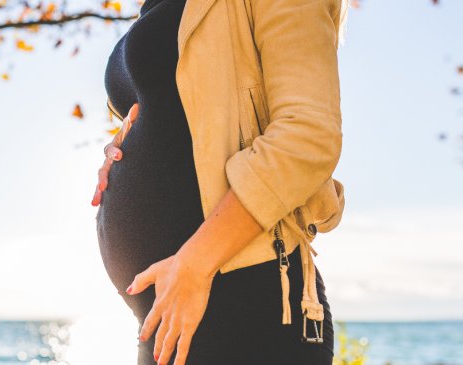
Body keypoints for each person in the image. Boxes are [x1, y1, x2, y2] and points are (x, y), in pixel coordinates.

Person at [91, 0, 350, 363]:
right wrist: (120, 148)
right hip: (168, 311)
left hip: (243, 305)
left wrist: (195, 264)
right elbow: (180, 115)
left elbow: (307, 136)